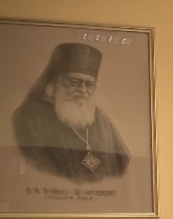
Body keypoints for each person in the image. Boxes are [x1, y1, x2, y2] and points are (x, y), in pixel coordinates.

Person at [12, 42, 131, 183]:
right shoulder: (31, 117)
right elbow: (39, 170)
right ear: (55, 83)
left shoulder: (101, 118)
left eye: (89, 84)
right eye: (75, 82)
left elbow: (121, 166)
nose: (83, 90)